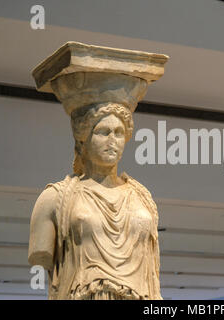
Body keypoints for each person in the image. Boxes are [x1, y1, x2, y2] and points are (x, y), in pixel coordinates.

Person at [28, 102, 162, 300]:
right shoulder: (56, 198)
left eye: (118, 133)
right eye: (103, 132)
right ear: (83, 139)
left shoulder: (142, 196)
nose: (112, 140)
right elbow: (41, 255)